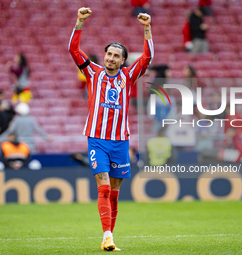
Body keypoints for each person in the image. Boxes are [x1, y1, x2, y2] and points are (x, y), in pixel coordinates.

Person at [68, 7, 153, 251]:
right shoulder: (92, 72)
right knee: (103, 188)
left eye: (117, 56)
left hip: (120, 142)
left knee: (114, 192)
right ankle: (106, 235)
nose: (111, 58)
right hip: (96, 139)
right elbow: (73, 50)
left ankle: (110, 236)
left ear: (123, 60)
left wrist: (147, 28)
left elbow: (147, 58)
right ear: (103, 56)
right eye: (109, 54)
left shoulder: (128, 76)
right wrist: (79, 22)